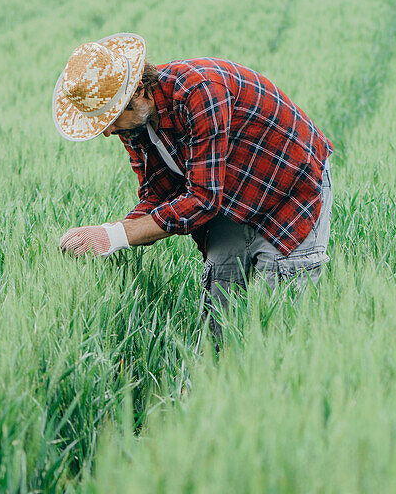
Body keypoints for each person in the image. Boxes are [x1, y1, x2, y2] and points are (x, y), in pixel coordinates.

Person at [52, 33, 333, 340]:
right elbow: (157, 195)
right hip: (229, 196)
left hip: (287, 189)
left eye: (111, 119)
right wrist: (107, 234)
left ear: (140, 91)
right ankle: (214, 383)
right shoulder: (134, 123)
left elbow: (202, 199)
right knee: (219, 305)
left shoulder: (200, 91)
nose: (108, 133)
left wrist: (116, 235)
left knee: (279, 316)